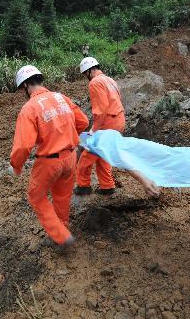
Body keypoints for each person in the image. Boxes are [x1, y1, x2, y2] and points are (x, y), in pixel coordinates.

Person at [10, 65, 89, 249]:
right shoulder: (62, 98)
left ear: (25, 86)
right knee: (61, 196)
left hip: (49, 162)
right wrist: (66, 135)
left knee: (36, 196)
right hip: (71, 157)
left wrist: (16, 166)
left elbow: (23, 146)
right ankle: (63, 229)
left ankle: (61, 236)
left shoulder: (29, 108)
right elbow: (83, 121)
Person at [74, 57, 126, 196]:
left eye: (85, 74)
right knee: (103, 154)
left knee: (87, 155)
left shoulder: (95, 83)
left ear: (89, 71)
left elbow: (101, 110)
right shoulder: (110, 80)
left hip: (108, 122)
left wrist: (93, 130)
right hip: (119, 120)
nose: (86, 77)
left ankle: (83, 186)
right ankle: (107, 186)